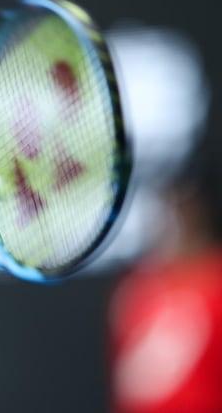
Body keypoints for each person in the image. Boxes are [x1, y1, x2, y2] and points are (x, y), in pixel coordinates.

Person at [107, 143, 222, 413]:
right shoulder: (137, 289)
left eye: (178, 200)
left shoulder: (215, 281)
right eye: (164, 199)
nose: (167, 212)